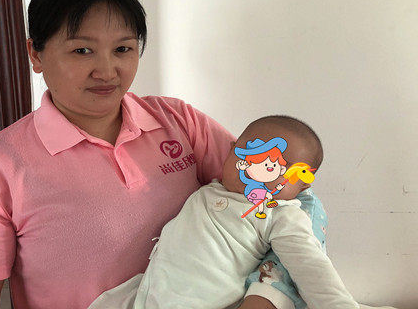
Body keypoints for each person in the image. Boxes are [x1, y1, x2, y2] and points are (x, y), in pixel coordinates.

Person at [0, 0, 319, 309]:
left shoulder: (179, 122)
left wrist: (269, 294)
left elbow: (290, 202)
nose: (107, 71)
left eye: (123, 49)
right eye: (82, 51)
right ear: (35, 53)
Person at [88, 116, 391, 309]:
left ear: (301, 185)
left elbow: (310, 265)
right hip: (150, 293)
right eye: (249, 156)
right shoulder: (211, 189)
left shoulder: (280, 214)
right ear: (231, 151)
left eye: (279, 168)